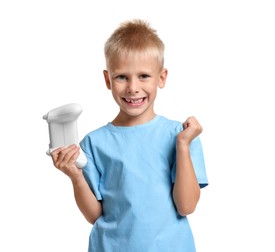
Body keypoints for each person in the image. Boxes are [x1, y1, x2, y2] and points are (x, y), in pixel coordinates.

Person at [51, 19, 208, 252]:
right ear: (107, 80)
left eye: (144, 76)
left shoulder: (180, 135)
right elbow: (95, 215)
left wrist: (183, 146)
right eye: (121, 77)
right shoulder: (94, 143)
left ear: (161, 78)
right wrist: (76, 177)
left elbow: (186, 206)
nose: (132, 87)